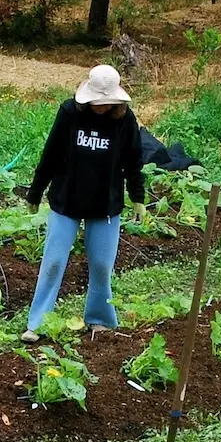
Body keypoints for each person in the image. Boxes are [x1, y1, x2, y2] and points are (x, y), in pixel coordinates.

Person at [20, 65, 146, 344]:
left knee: (102, 264)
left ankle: (99, 318)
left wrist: (138, 197)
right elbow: (51, 153)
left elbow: (133, 161)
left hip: (105, 204)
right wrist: (35, 192)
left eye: (106, 103)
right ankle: (39, 322)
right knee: (53, 261)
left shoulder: (125, 121)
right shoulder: (69, 113)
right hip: (67, 200)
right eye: (96, 102)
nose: (100, 107)